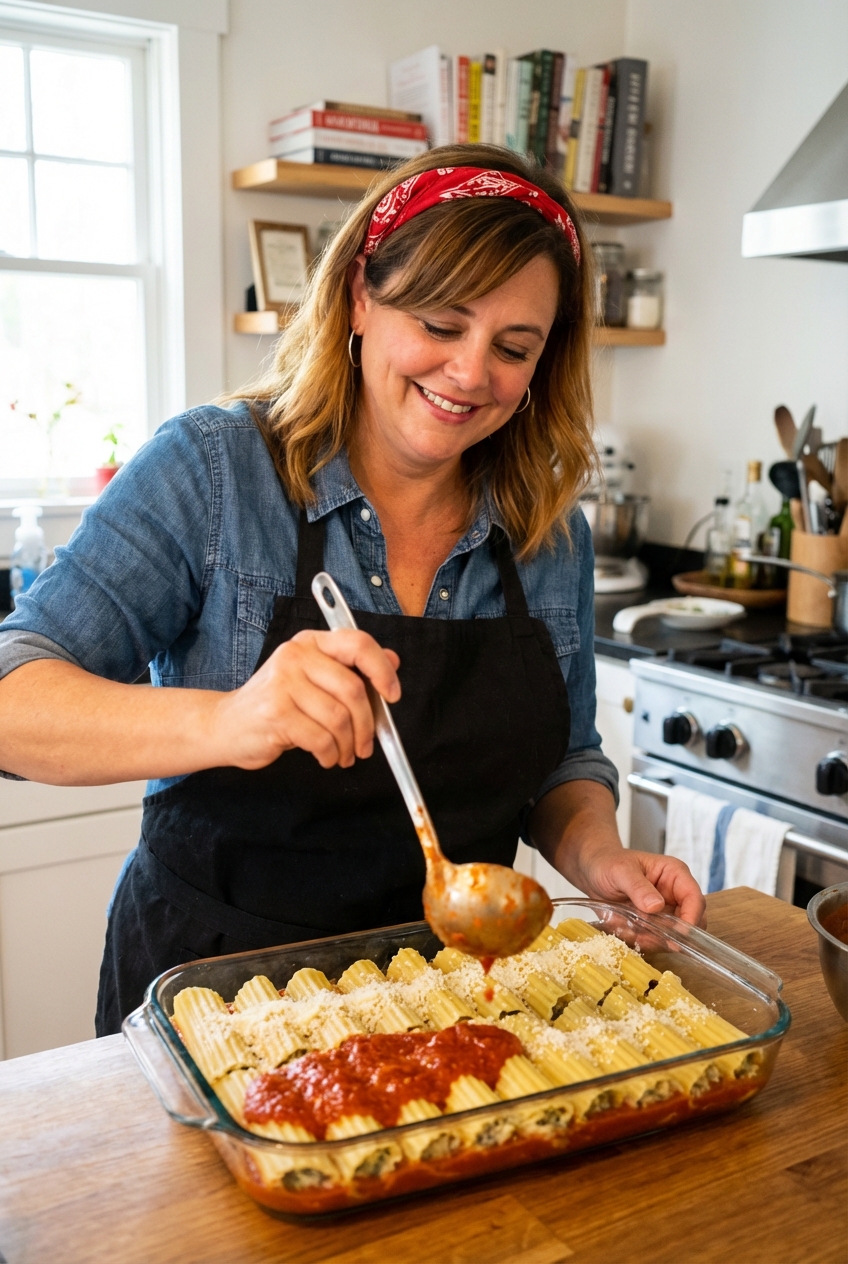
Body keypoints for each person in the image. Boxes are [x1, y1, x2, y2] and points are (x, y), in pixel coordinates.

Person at [0, 145, 705, 1036]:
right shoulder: (215, 471)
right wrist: (231, 720)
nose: (469, 374)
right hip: (215, 1002)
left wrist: (599, 857)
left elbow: (563, 759)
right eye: (443, 325)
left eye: (513, 347)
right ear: (361, 298)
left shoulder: (545, 530)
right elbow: (11, 696)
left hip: (457, 1004)